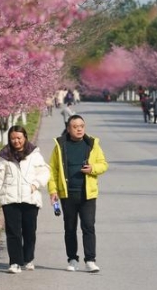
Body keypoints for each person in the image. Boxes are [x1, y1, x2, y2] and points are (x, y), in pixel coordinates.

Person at [48, 114, 108, 273]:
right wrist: (53, 190)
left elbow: (103, 164)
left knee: (88, 226)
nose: (79, 129)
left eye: (81, 126)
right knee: (70, 227)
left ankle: (90, 260)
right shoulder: (61, 146)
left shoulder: (92, 144)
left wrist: (92, 169)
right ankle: (72, 259)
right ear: (68, 129)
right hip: (67, 194)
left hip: (88, 194)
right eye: (75, 126)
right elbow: (52, 170)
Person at [0, 125, 50, 274]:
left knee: (29, 231)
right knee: (13, 231)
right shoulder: (4, 156)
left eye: (19, 138)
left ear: (25, 138)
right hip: (10, 198)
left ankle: (28, 259)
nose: (16, 141)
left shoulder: (34, 154)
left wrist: (35, 185)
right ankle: (15, 262)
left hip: (30, 198)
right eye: (13, 138)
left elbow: (44, 172)